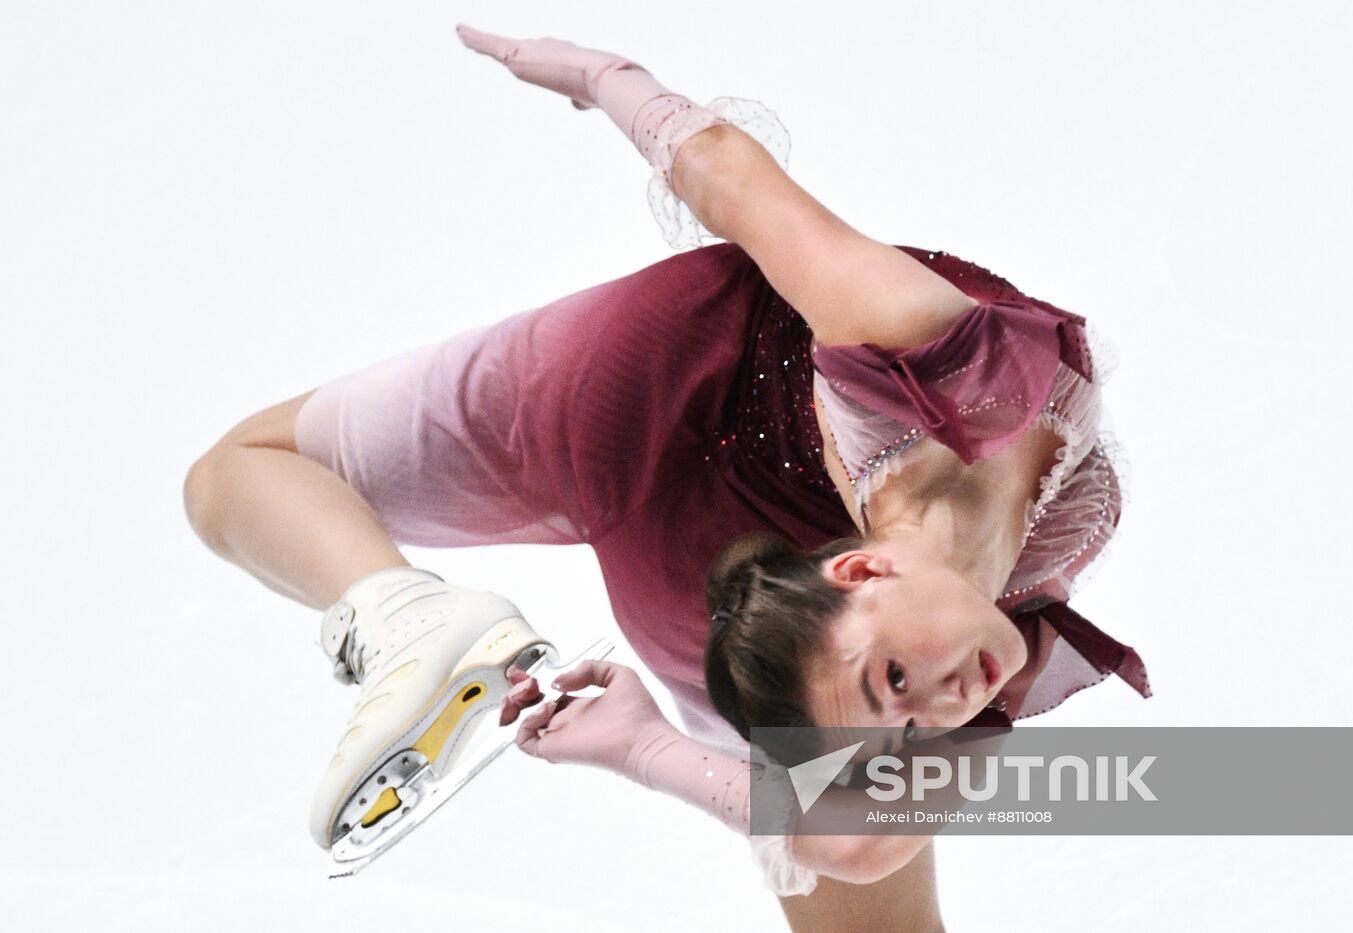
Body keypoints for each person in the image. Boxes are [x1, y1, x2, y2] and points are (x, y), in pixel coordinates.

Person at [182, 24, 1151, 932]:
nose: (937, 710)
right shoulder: (929, 356)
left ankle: (396, 608)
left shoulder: (862, 658)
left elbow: (851, 834)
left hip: (692, 578)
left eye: (891, 720)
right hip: (643, 381)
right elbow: (736, 186)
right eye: (893, 687)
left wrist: (651, 751)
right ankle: (410, 621)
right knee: (240, 472)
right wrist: (608, 82)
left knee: (243, 471)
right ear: (859, 574)